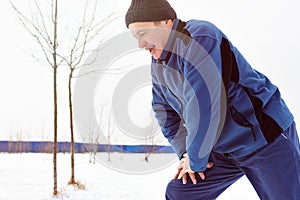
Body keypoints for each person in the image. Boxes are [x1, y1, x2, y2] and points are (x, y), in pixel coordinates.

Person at [125, 0, 300, 199]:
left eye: (143, 33)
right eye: (134, 37)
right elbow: (162, 111)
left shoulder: (199, 37)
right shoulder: (160, 64)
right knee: (182, 194)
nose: (140, 44)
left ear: (166, 22)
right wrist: (187, 154)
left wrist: (196, 157)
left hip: (262, 136)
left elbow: (203, 102)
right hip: (221, 150)